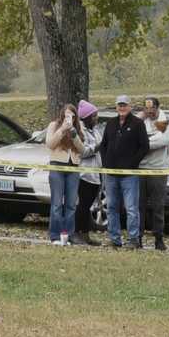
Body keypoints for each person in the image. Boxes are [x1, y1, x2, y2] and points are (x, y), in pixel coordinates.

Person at [98, 94, 150, 249]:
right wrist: (106, 162)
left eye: (124, 105)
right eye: (119, 105)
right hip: (111, 174)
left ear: (130, 106)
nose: (122, 108)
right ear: (116, 107)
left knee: (131, 208)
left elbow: (144, 147)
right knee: (111, 207)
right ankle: (114, 239)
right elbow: (103, 145)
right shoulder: (111, 123)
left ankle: (133, 239)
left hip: (129, 175)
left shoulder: (138, 123)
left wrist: (133, 163)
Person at [139, 96, 169, 251]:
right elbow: (132, 139)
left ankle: (159, 239)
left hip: (159, 169)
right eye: (147, 108)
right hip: (140, 168)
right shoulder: (140, 122)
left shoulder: (167, 121)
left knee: (158, 206)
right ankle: (137, 237)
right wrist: (148, 140)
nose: (150, 111)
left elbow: (165, 141)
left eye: (152, 108)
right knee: (138, 206)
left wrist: (143, 143)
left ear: (158, 107)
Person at [44, 103, 84, 245]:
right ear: (62, 115)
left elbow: (82, 149)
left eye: (71, 116)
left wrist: (73, 133)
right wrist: (62, 129)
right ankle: (55, 236)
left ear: (75, 117)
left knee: (71, 204)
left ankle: (68, 235)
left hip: (73, 167)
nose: (69, 118)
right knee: (56, 204)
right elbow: (50, 144)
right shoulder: (53, 125)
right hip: (57, 166)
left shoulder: (79, 127)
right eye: (66, 115)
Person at [74, 100, 103, 246]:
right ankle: (76, 233)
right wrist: (98, 147)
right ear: (86, 117)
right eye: (94, 116)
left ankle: (85, 235)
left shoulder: (96, 131)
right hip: (84, 175)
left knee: (87, 208)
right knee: (82, 206)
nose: (96, 118)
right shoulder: (80, 132)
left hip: (95, 174)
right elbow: (83, 152)